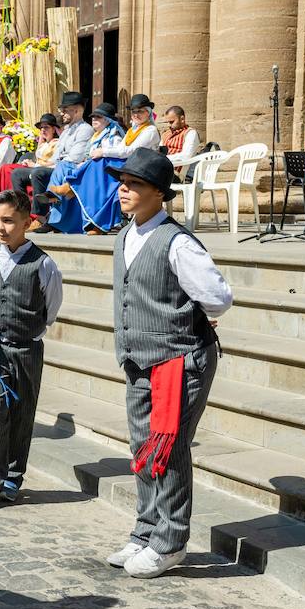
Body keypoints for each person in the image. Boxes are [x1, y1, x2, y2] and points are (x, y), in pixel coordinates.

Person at [104, 148, 233, 578]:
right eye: (122, 181)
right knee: (143, 447)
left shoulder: (177, 242)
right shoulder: (126, 234)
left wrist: (189, 311)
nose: (123, 189)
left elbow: (218, 297)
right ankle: (145, 531)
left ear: (159, 193)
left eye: (134, 184)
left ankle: (170, 540)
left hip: (179, 361)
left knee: (170, 449)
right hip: (140, 359)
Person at [0, 189, 63, 507]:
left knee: (22, 414)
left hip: (26, 348)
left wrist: (29, 330)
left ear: (26, 222)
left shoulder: (43, 265)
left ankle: (12, 475)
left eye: (8, 221)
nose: (0, 227)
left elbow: (51, 308)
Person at [46, 101, 128, 235]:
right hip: (96, 169)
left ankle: (69, 189)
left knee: (86, 166)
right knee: (63, 165)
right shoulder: (97, 136)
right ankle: (63, 194)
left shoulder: (113, 135)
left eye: (99, 117)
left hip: (109, 172)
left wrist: (102, 152)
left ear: (107, 120)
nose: (94, 120)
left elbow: (119, 154)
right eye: (93, 117)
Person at [12, 92, 93, 226]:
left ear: (77, 111)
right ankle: (23, 213)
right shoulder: (66, 131)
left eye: (66, 110)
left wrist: (40, 167)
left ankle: (41, 217)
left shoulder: (85, 129)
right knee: (18, 173)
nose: (62, 113)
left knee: (38, 173)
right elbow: (56, 158)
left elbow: (74, 158)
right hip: (58, 167)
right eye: (62, 110)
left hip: (71, 169)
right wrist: (39, 164)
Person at [0, 113, 61, 211]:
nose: (42, 130)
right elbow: (38, 157)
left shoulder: (57, 143)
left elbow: (54, 163)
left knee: (7, 169)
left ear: (54, 129)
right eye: (41, 128)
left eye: (46, 127)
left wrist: (35, 165)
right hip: (34, 167)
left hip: (42, 170)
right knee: (6, 169)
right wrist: (30, 160)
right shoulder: (44, 144)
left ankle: (0, 203)